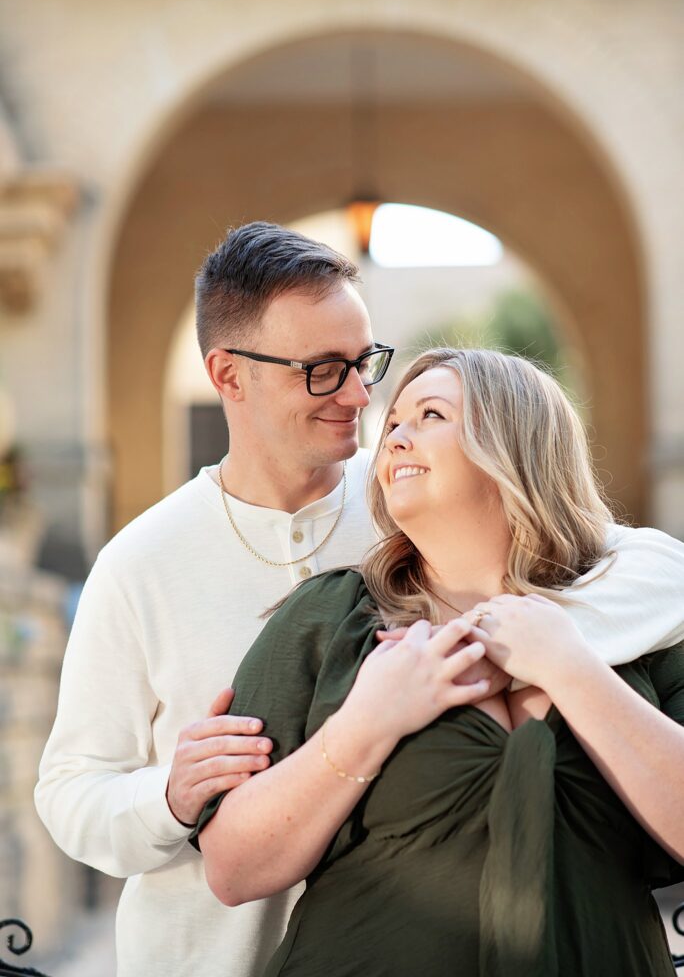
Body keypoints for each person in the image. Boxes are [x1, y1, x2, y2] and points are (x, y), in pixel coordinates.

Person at [35, 221, 683, 977]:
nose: (360, 396)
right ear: (228, 375)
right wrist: (171, 797)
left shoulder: (413, 490)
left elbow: (633, 561)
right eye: (321, 369)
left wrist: (526, 647)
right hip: (219, 956)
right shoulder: (140, 562)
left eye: (364, 361)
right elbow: (72, 789)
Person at [195, 348, 684, 977]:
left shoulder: (642, 618)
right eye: (394, 420)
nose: (395, 434)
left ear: (514, 446)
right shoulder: (333, 618)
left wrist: (571, 668)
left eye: (431, 414)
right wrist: (369, 722)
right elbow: (233, 870)